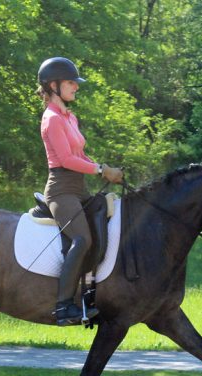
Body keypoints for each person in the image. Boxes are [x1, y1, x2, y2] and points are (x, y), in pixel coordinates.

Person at [36, 57, 124, 326]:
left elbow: (81, 156)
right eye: (71, 82)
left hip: (79, 189)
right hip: (61, 191)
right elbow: (65, 160)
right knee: (82, 240)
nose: (76, 87)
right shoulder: (51, 119)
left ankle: (89, 295)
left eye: (76, 83)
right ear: (53, 85)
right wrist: (100, 170)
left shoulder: (70, 117)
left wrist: (107, 170)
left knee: (104, 229)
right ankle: (63, 307)